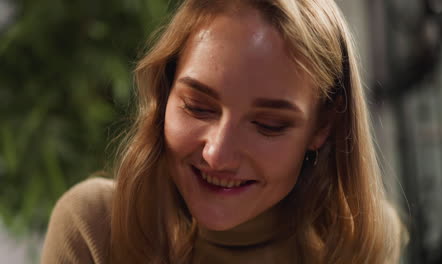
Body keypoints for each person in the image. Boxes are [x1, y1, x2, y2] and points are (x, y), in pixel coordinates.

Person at [41, 0, 406, 263]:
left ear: (322, 126)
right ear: (164, 92)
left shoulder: (359, 239)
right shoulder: (96, 227)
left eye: (268, 125)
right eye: (198, 107)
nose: (217, 153)